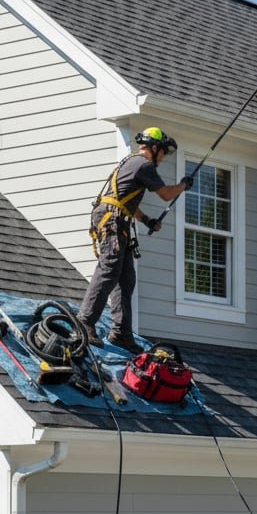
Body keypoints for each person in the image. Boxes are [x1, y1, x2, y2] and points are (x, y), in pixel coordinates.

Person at [77, 126, 192, 353]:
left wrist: (147, 220)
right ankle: (84, 321)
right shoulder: (144, 164)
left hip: (117, 218)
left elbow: (126, 201)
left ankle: (121, 334)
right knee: (109, 269)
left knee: (126, 277)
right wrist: (184, 185)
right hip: (113, 221)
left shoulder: (131, 163)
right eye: (163, 153)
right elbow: (166, 194)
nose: (163, 158)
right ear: (155, 148)